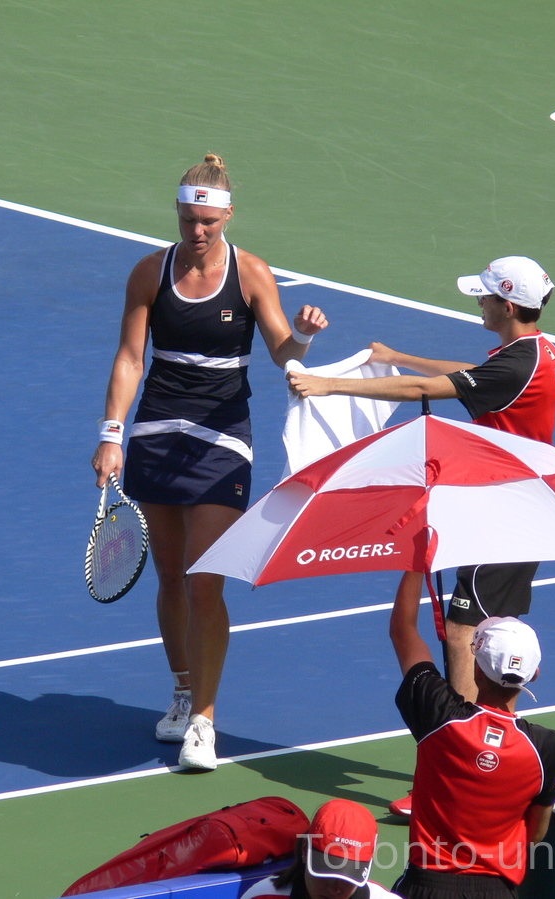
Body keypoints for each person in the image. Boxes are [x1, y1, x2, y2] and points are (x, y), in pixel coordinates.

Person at [92, 154, 327, 771]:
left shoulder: (250, 274)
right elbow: (128, 359)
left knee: (205, 582)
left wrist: (301, 336)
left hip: (223, 441)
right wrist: (112, 434)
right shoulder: (149, 272)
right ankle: (181, 690)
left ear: (227, 217)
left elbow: (281, 349)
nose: (197, 232)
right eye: (188, 219)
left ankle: (205, 720)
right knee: (170, 577)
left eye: (208, 223)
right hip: (156, 435)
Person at [286, 255, 555, 704]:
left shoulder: (514, 366)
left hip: (501, 511)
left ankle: (464, 739)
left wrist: (328, 385)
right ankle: (500, 732)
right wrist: (397, 357)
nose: (480, 303)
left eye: (485, 296)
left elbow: (423, 391)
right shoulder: (534, 353)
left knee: (463, 632)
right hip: (525, 506)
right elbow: (469, 375)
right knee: (501, 630)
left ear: (508, 306)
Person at [388, 571, 555, 899]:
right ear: (534, 675)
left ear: (476, 668)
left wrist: (416, 563)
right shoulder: (546, 747)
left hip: (425, 888)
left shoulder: (437, 714)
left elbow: (403, 631)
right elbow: (535, 832)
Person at [239, 799, 396, 899]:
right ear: (305, 850)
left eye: (345, 879)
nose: (334, 889)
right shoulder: (263, 896)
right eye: (325, 873)